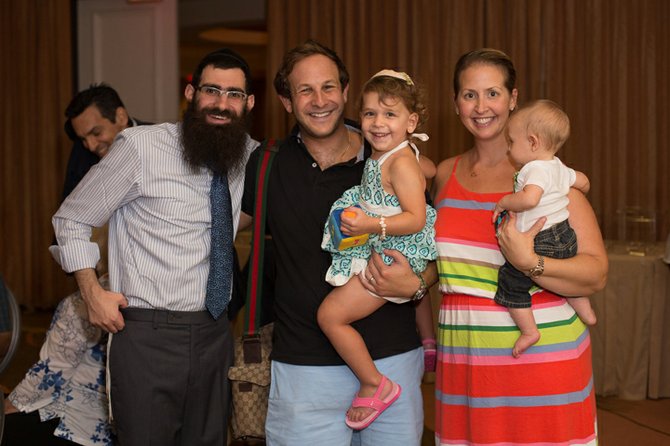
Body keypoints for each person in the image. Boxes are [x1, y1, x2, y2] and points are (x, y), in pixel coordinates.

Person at [50, 48, 259, 446]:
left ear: (249, 103)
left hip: (216, 333)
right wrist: (92, 291)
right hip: (147, 335)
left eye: (233, 94)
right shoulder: (140, 148)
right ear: (190, 92)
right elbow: (71, 219)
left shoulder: (249, 155)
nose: (221, 103)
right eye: (211, 90)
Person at [239, 40, 433, 446]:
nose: (319, 100)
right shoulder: (267, 163)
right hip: (303, 371)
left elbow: (429, 248)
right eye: (305, 90)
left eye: (329, 87)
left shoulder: (391, 155)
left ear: (345, 93)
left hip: (392, 360)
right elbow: (214, 230)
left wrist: (414, 285)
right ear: (286, 101)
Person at [431, 48, 607, 445]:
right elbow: (442, 263)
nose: (481, 106)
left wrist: (530, 262)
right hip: (468, 369)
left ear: (513, 99)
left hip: (545, 366)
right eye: (468, 94)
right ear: (455, 102)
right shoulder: (443, 174)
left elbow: (596, 274)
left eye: (492, 93)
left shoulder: (543, 178)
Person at [317, 69, 437, 430]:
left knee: (330, 316)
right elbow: (425, 168)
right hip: (380, 237)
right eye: (369, 113)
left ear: (410, 121)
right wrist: (420, 167)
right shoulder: (399, 154)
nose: (377, 123)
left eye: (390, 114)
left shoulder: (399, 161)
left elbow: (416, 218)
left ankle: (375, 383)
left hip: (391, 252)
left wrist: (372, 224)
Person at [492, 99, 597, 357]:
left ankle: (529, 331)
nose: (508, 149)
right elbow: (583, 181)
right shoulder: (558, 166)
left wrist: (505, 201)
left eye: (511, 142)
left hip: (542, 239)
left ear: (533, 142)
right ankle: (585, 310)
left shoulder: (534, 169)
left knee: (509, 280)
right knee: (564, 279)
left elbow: (529, 199)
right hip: (565, 236)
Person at [2, 277, 114, 446]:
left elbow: (52, 374)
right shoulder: (153, 302)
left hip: (75, 425)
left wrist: (8, 406)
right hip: (129, 427)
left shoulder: (82, 303)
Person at [61, 83, 149, 201]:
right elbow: (70, 207)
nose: (91, 146)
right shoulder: (81, 152)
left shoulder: (160, 139)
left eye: (96, 133)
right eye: (83, 139)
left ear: (121, 117)